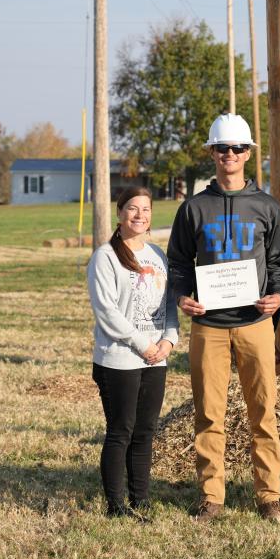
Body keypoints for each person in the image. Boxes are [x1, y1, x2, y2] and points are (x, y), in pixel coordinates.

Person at [167, 113, 280, 523]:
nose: (229, 155)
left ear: (249, 154)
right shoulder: (193, 208)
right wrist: (183, 297)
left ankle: (269, 495)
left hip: (255, 324)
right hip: (209, 327)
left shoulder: (267, 206)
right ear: (211, 153)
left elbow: (277, 263)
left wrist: (278, 296)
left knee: (263, 412)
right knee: (208, 413)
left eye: (237, 148)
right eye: (222, 148)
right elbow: (179, 262)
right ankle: (211, 497)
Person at [87, 185, 178, 520]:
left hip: (156, 358)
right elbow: (107, 313)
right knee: (121, 430)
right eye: (132, 209)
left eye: (146, 209)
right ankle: (116, 505)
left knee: (145, 431)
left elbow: (169, 303)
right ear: (120, 213)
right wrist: (144, 345)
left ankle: (141, 499)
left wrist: (169, 341)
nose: (140, 215)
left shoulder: (157, 255)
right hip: (119, 359)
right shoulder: (105, 257)